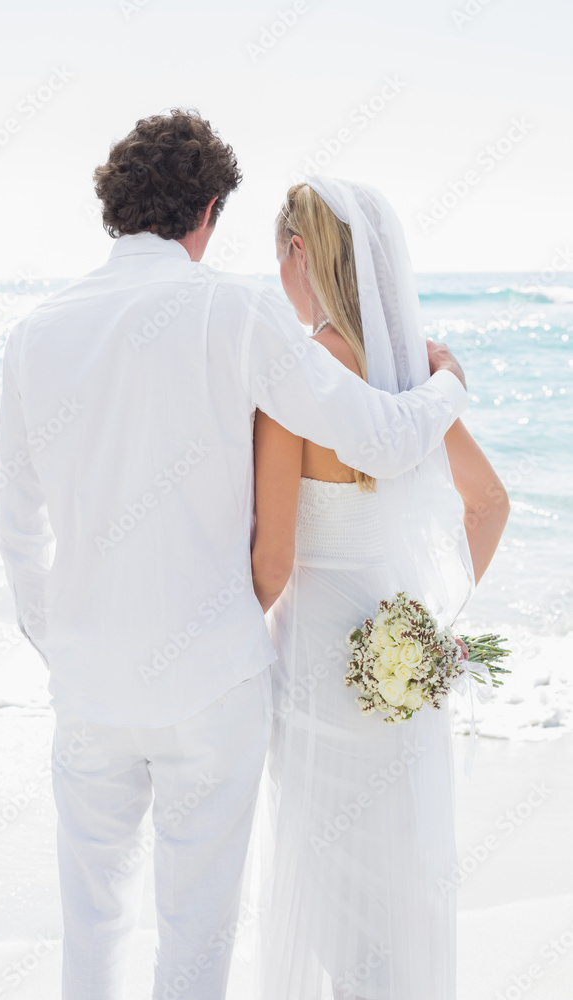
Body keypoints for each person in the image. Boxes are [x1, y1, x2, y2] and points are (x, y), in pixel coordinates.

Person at [0, 111, 469, 1000]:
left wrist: (63, 645)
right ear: (208, 209)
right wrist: (445, 384)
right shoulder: (237, 311)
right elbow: (379, 437)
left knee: (90, 928)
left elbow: (18, 531)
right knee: (195, 938)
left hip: (87, 688)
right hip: (212, 685)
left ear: (112, 208)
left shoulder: (35, 333)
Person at [251, 177, 510, 1000]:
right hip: (400, 674)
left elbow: (276, 556)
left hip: (320, 675)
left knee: (327, 895)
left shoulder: (298, 375)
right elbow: (488, 504)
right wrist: (428, 627)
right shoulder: (409, 377)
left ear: (298, 254)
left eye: (276, 257)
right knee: (396, 897)